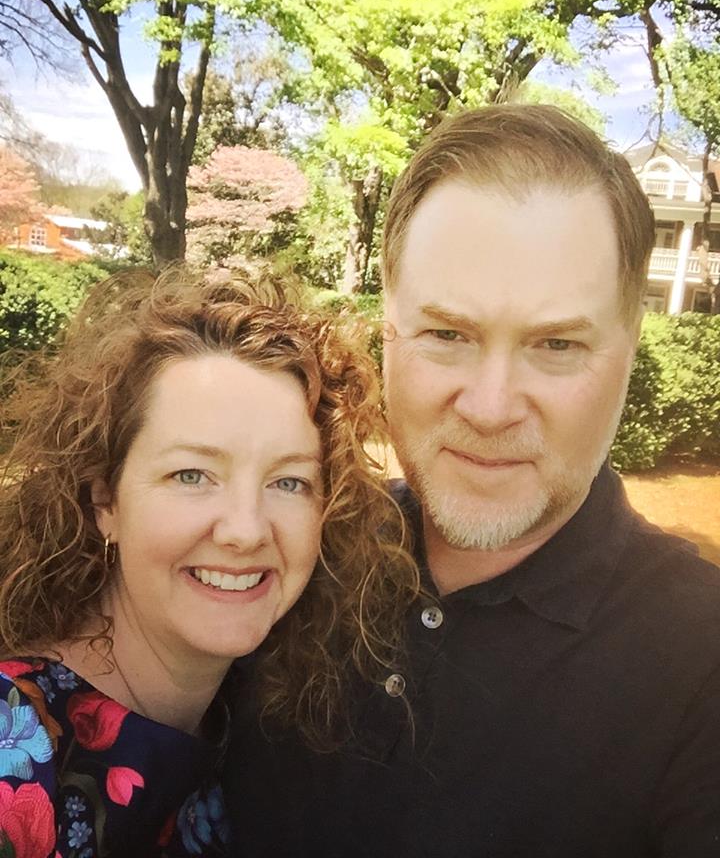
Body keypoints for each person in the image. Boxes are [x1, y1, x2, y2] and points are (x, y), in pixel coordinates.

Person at [224, 105, 720, 857]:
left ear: (629, 350)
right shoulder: (284, 560)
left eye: (556, 345)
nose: (490, 408)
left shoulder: (700, 661)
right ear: (387, 330)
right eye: (447, 334)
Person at [0, 268, 418, 857]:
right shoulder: (17, 756)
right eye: (192, 475)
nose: (245, 530)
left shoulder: (264, 720)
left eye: (289, 481)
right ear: (104, 502)